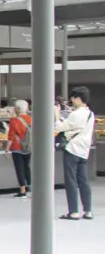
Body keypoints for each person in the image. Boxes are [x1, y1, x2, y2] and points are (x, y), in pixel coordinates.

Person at [55, 86, 95, 220]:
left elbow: (59, 127)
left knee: (71, 181)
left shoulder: (75, 114)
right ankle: (88, 210)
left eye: (73, 98)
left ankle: (73, 211)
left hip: (72, 150)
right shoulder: (90, 114)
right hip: (84, 151)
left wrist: (57, 116)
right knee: (83, 181)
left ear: (78, 98)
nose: (72, 100)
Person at [6, 99, 33, 198]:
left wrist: (7, 149)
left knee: (19, 168)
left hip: (17, 147)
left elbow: (11, 136)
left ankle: (22, 191)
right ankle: (30, 188)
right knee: (27, 167)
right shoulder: (31, 119)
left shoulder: (14, 120)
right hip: (28, 146)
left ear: (17, 109)